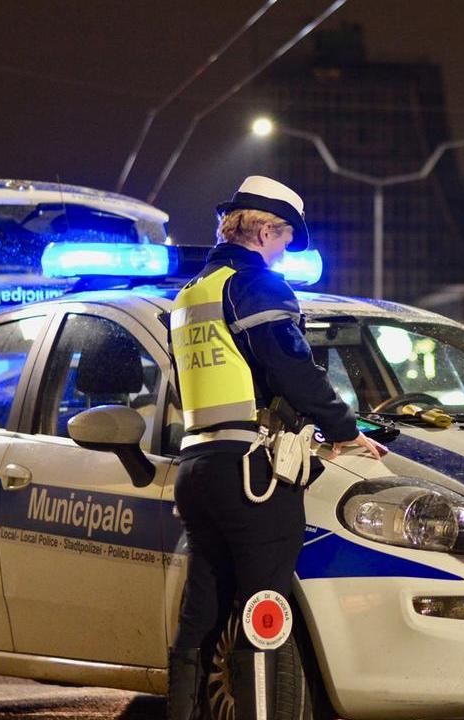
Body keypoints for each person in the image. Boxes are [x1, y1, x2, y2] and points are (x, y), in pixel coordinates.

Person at [166, 175, 386, 720]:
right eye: (285, 239)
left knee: (203, 610)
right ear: (264, 230)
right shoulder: (256, 285)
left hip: (198, 465)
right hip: (251, 471)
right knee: (265, 609)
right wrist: (343, 429)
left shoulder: (192, 293)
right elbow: (293, 367)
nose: (284, 250)